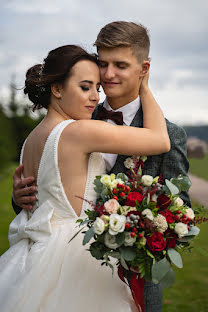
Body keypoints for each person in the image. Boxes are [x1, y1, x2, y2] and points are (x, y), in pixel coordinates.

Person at [12, 22, 191, 312]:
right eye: (103, 64)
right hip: (66, 270)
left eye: (120, 65)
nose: (108, 75)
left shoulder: (170, 135)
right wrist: (19, 197)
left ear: (143, 69)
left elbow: (179, 211)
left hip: (133, 286)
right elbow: (46, 192)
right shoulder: (75, 114)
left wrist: (130, 227)